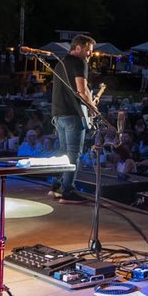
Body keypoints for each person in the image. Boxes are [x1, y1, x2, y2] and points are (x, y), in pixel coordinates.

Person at [48, 34, 97, 202]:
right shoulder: (79, 62)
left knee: (63, 151)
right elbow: (81, 91)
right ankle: (67, 190)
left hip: (58, 113)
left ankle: (56, 186)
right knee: (74, 154)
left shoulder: (61, 62)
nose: (90, 54)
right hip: (72, 114)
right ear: (78, 48)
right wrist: (93, 108)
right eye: (88, 51)